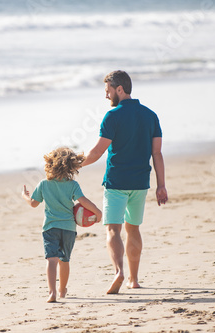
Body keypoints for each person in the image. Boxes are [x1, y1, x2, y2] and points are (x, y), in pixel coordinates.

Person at [81, 70, 168, 294]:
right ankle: (134, 279)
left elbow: (97, 152)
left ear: (119, 89)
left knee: (113, 229)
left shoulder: (113, 116)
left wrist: (74, 164)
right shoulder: (150, 115)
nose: (106, 96)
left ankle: (119, 271)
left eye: (108, 91)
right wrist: (161, 185)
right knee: (133, 229)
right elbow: (157, 154)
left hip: (116, 182)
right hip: (140, 183)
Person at [22, 147, 102, 302]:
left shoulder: (44, 184)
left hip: (50, 228)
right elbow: (84, 202)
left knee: (51, 260)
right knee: (64, 260)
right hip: (68, 229)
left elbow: (33, 204)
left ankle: (52, 292)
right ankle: (62, 290)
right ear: (71, 167)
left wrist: (25, 196)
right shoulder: (72, 185)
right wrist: (98, 212)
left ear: (49, 165)